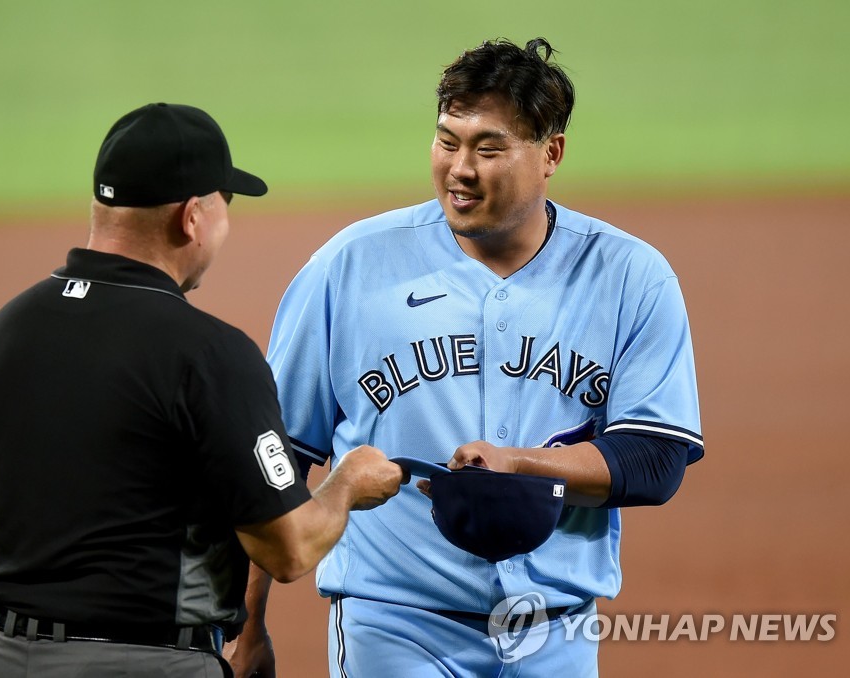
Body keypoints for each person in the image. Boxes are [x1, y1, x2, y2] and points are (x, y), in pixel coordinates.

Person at [233, 38, 704, 677]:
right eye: (447, 141)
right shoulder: (349, 267)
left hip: (557, 630)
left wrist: (523, 465)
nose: (460, 168)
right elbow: (279, 454)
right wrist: (247, 621)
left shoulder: (630, 276)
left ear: (550, 154)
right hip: (394, 623)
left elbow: (654, 457)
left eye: (488, 148)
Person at [0, 102, 405, 677]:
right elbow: (288, 548)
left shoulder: (0, 333)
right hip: (152, 664)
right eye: (225, 205)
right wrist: (349, 483)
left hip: (8, 657)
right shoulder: (209, 353)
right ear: (192, 217)